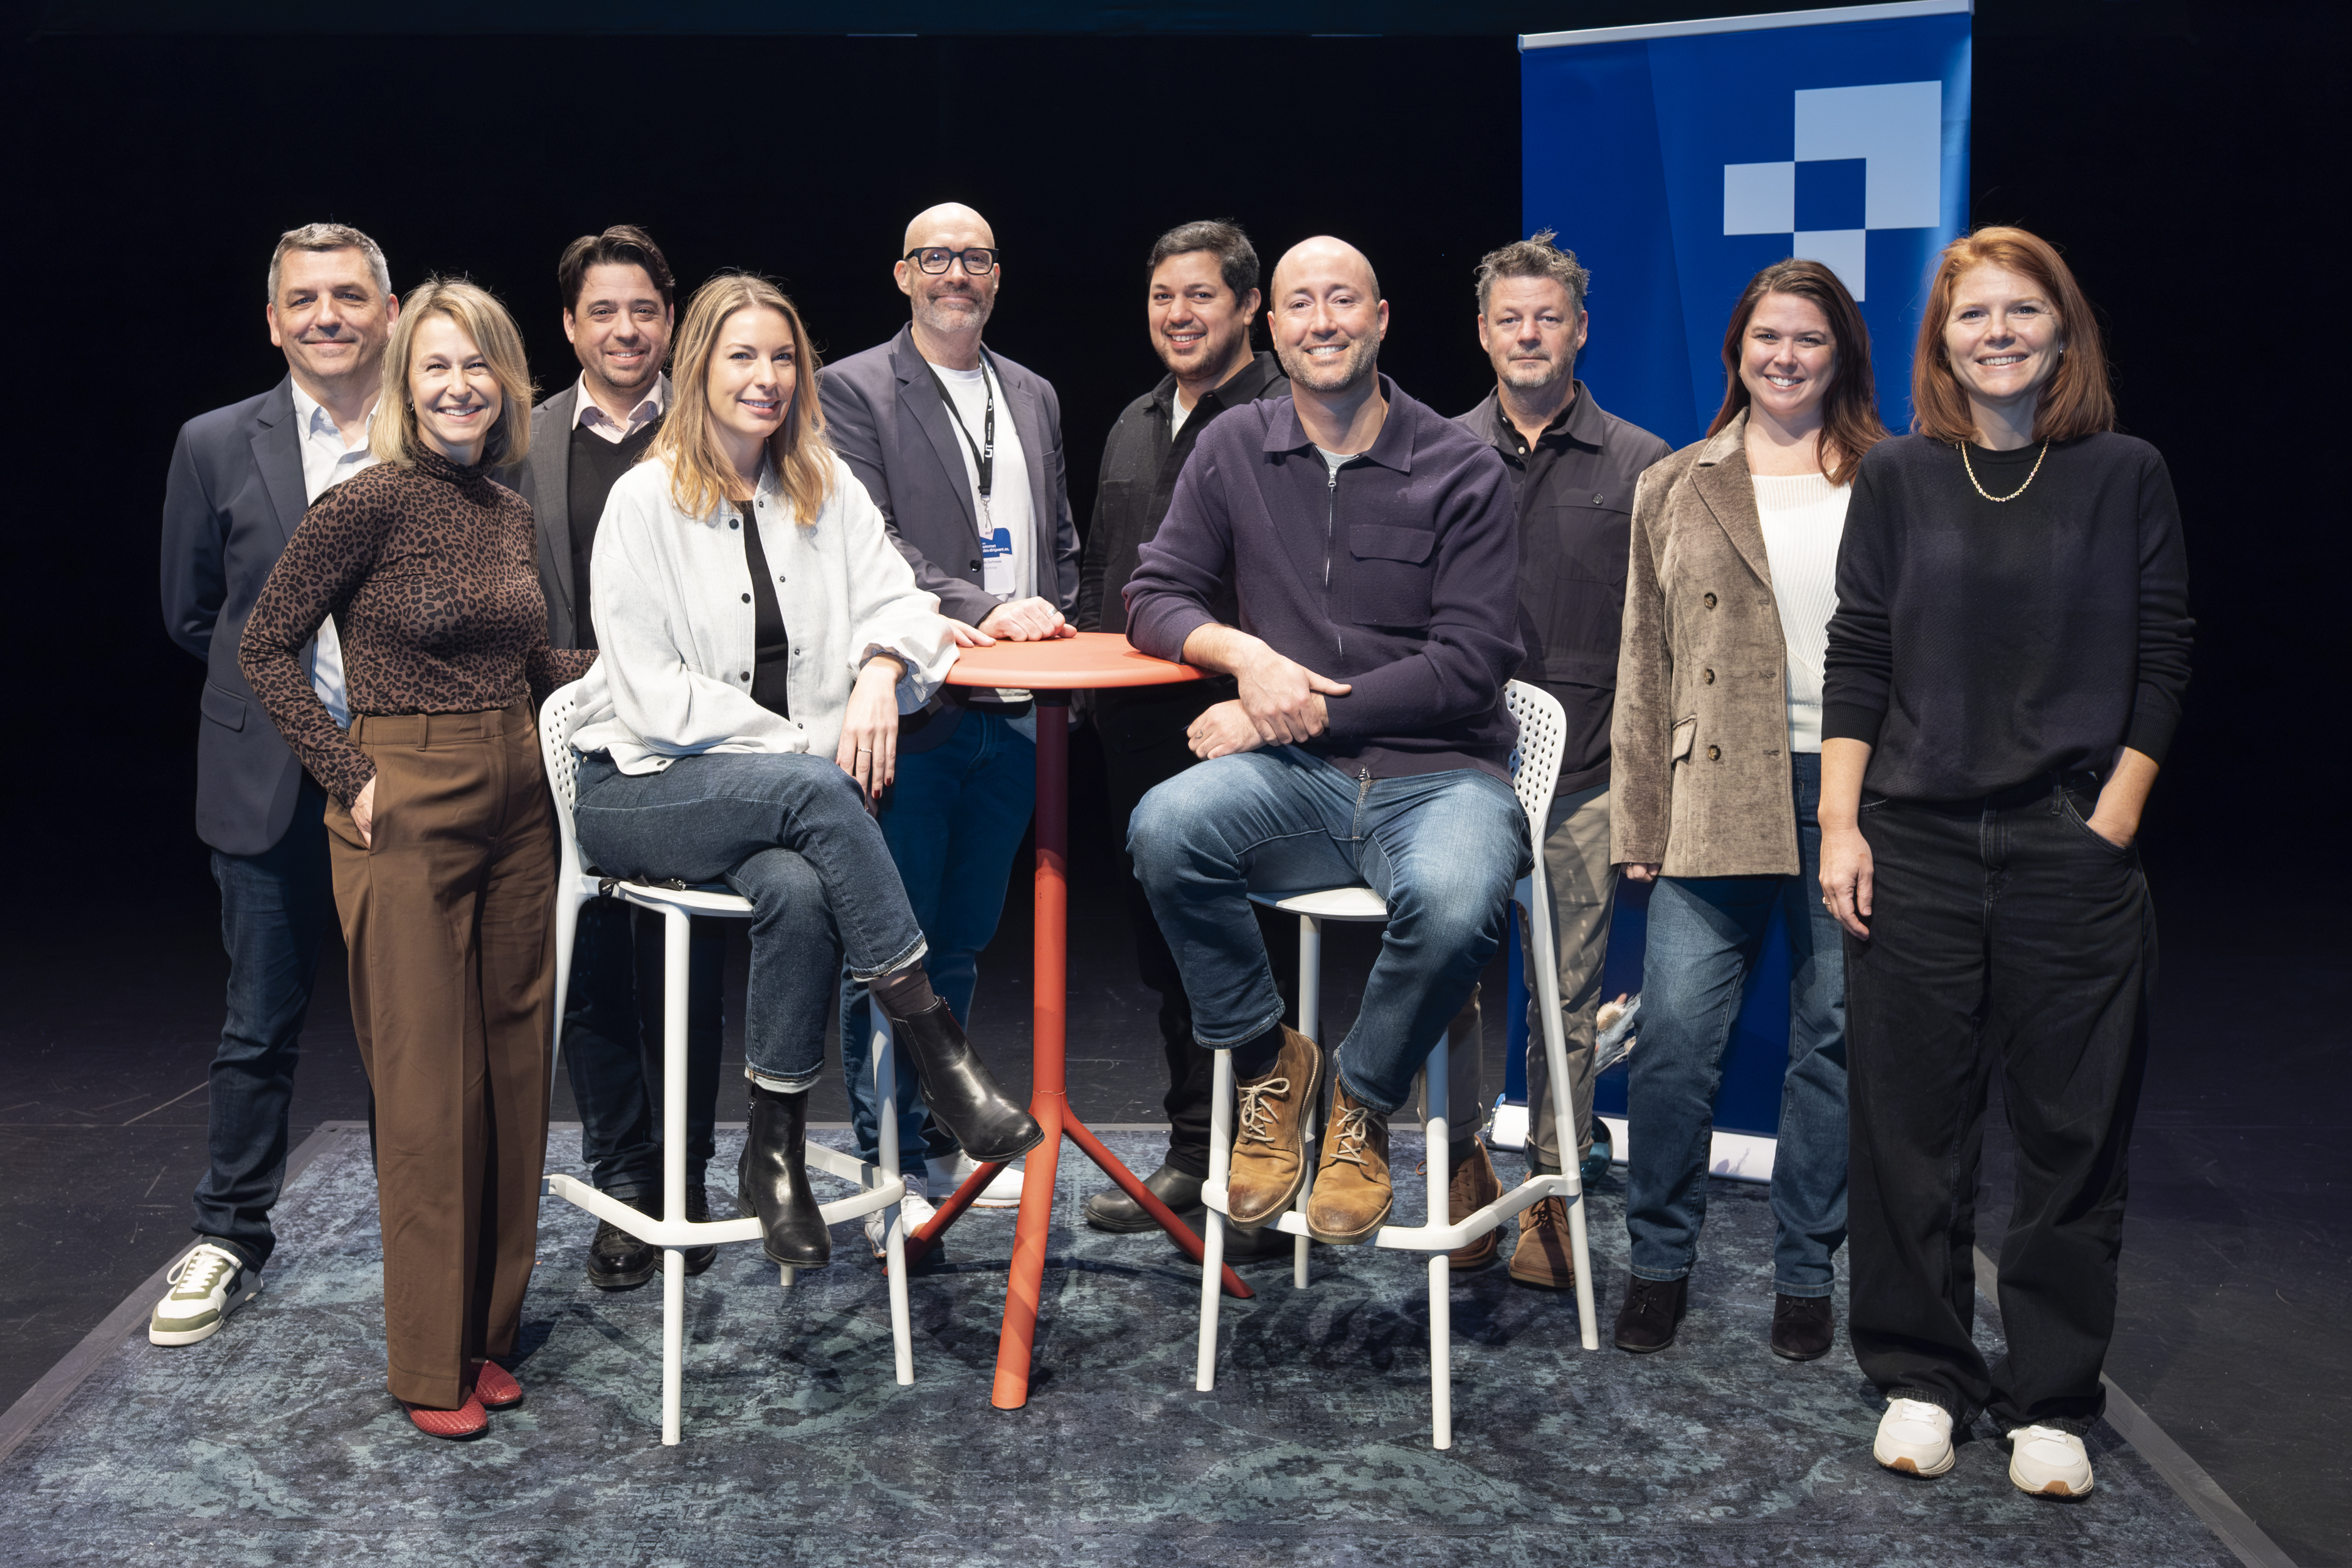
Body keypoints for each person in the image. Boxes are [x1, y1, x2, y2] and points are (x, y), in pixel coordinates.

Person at [564, 272, 1042, 1288]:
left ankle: (771, 1147)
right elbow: (651, 699)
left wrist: (878, 667)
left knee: (797, 884)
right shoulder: (641, 501)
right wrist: (800, 746)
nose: (767, 377)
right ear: (698, 368)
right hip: (640, 790)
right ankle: (938, 1047)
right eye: (742, 355)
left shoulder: (821, 483)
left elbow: (908, 606)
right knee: (819, 792)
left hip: (779, 810)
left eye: (782, 357)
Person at [1820, 227, 2191, 1498]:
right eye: (1973, 313)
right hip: (1913, 842)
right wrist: (1840, 823)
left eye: (2022, 309)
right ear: (1942, 342)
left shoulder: (2125, 473)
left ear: (2061, 331)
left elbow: (2163, 658)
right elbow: (1858, 650)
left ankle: (2050, 1400)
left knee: (2071, 1134)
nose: (1998, 331)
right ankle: (1923, 1376)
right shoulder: (1899, 478)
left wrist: (2115, 819)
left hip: (2067, 843)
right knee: (1906, 1128)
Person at [240, 278, 593, 1438]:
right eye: (437, 368)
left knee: (511, 1077)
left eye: (479, 366)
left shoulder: (502, 504)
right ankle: (424, 1364)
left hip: (519, 797)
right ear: (406, 383)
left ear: (507, 383)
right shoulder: (369, 501)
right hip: (409, 794)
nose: (460, 387)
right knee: (430, 1090)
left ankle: (488, 1333)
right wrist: (351, 775)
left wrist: (629, 666)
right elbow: (264, 646)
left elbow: (523, 654)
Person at [1125, 236, 1527, 1247]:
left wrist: (1294, 706)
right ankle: (1270, 1064)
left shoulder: (1459, 465)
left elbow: (1471, 662)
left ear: (1381, 318)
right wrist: (1244, 658)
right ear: (1274, 329)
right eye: (1300, 305)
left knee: (1455, 897)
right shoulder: (1232, 447)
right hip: (1296, 781)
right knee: (1166, 827)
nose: (1322, 322)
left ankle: (1360, 1099)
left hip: (1439, 776)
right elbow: (1151, 596)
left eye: (1342, 301)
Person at [1609, 259, 1887, 1361]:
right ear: (1736, 351)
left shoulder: (1890, 477)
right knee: (1675, 1042)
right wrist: (1638, 820)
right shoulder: (1676, 483)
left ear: (1840, 357)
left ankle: (1806, 1274)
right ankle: (1659, 1264)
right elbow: (1644, 660)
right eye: (1766, 336)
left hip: (1849, 790)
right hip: (1709, 789)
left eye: (1808, 339)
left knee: (1829, 1040)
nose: (1784, 357)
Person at [817, 203, 1082, 1253]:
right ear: (902, 274)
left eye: (973, 258)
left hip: (1016, 714)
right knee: (891, 948)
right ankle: (893, 1166)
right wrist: (981, 613)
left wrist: (1057, 635)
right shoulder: (851, 389)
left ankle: (941, 1134)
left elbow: (1053, 539)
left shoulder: (1033, 392)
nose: (954, 274)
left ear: (997, 275)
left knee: (963, 941)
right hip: (917, 704)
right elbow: (871, 546)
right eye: (936, 258)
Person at [153, 223, 398, 1348]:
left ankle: (423, 1230)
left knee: (411, 1023)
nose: (327, 317)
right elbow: (197, 613)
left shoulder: (430, 425)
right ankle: (229, 1233)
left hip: (403, 774)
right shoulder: (213, 441)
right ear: (272, 319)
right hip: (266, 777)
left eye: (349, 295)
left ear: (388, 309)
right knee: (259, 1023)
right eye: (304, 300)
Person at [1073, 220, 1295, 1259]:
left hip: (1237, 732)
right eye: (1163, 296)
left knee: (1243, 951)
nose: (1178, 314)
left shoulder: (1283, 416)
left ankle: (1266, 1171)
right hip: (1135, 727)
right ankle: (1192, 1153)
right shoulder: (1129, 420)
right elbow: (1103, 569)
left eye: (1200, 296)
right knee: (1165, 955)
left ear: (1248, 307)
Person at [1453, 230, 1668, 1288]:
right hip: (1453, 781)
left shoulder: (1644, 466)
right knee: (1447, 986)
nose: (1527, 334)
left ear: (1579, 329)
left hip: (1585, 781)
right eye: (1508, 318)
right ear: (1483, 334)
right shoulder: (1436, 453)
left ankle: (1550, 1194)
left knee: (1565, 1004)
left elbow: (1665, 647)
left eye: (1547, 316)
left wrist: (1649, 798)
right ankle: (1458, 1178)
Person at [508, 225, 719, 1293]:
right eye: (602, 311)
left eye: (643, 309)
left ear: (669, 318)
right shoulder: (527, 435)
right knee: (593, 976)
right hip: (568, 741)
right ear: (569, 326)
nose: (625, 328)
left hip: (691, 738)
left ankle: (687, 1177)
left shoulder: (717, 421)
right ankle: (625, 1178)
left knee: (684, 967)